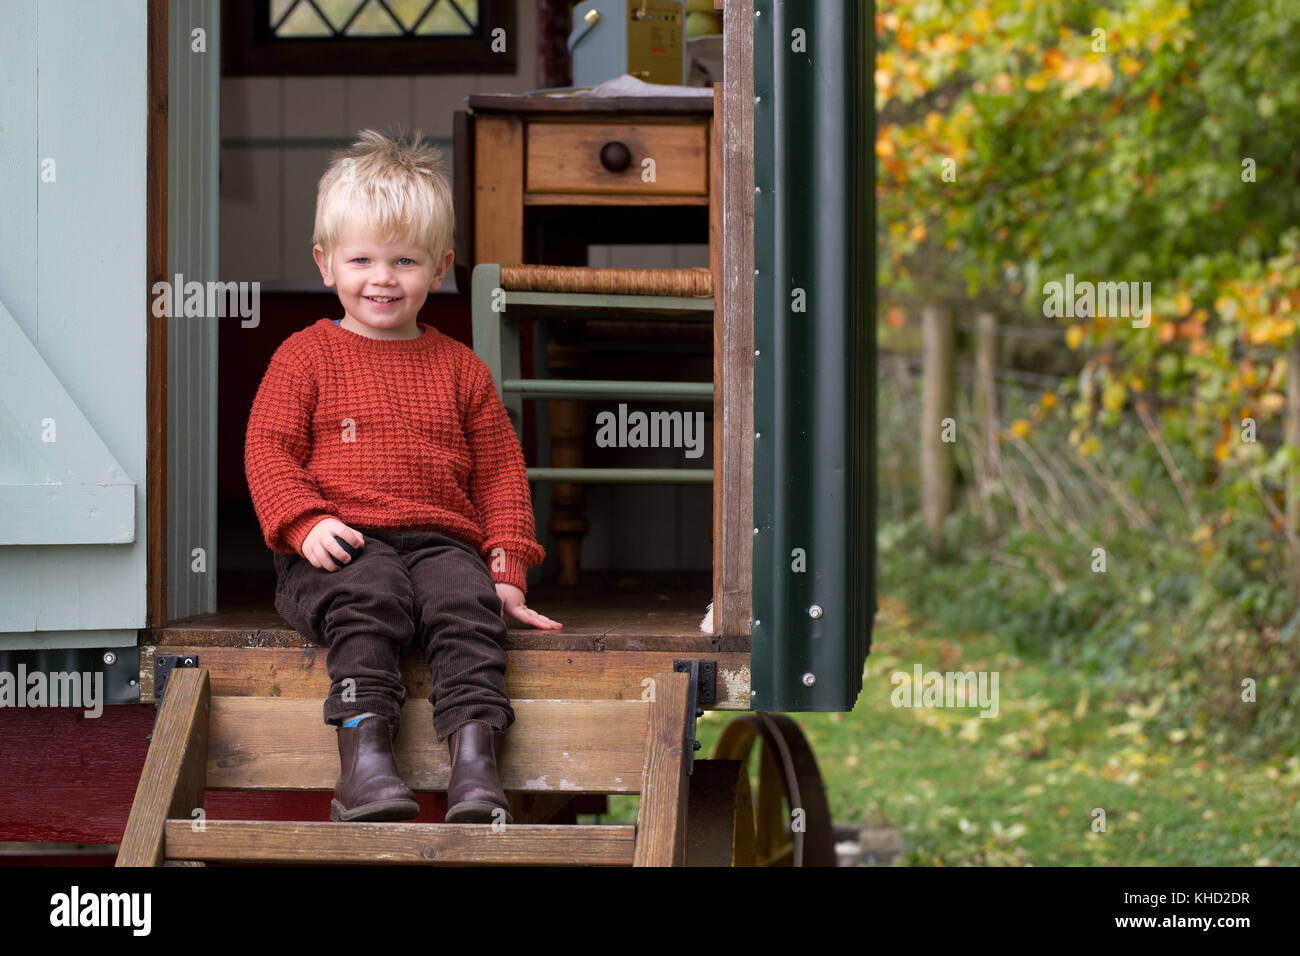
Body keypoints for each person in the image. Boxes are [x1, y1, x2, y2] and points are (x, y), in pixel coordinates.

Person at [244, 128, 561, 825]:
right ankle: (364, 761)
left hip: (440, 541)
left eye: (404, 261)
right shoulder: (304, 356)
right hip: (339, 541)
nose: (382, 278)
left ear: (440, 268)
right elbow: (268, 448)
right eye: (361, 259)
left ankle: (475, 765)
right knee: (370, 595)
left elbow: (502, 475)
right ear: (326, 265)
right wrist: (305, 521)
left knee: (466, 610)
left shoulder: (461, 369)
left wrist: (505, 568)